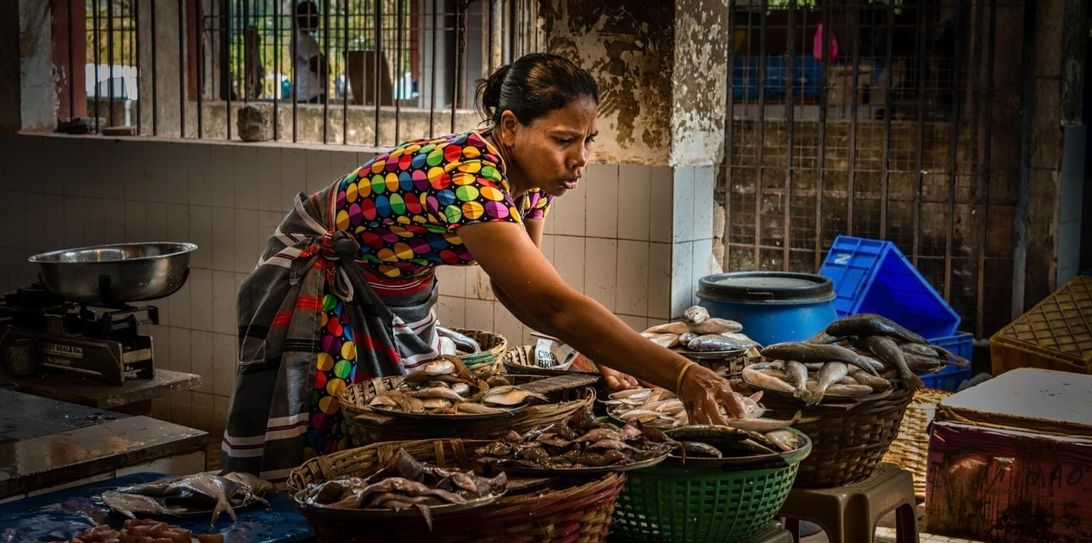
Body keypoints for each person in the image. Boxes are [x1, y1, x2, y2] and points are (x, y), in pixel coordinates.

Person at [221, 52, 745, 481]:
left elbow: (519, 291)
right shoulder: (467, 175)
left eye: (587, 140)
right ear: (511, 127)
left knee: (389, 424)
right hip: (322, 280)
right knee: (326, 426)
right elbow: (553, 305)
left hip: (394, 291)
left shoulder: (531, 185)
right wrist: (682, 373)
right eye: (564, 139)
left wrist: (594, 353)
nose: (580, 157)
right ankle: (292, 542)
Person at [292, 1, 326, 104]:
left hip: (309, 94)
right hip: (310, 95)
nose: (317, 19)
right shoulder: (303, 41)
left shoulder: (305, 39)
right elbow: (322, 67)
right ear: (306, 18)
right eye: (314, 15)